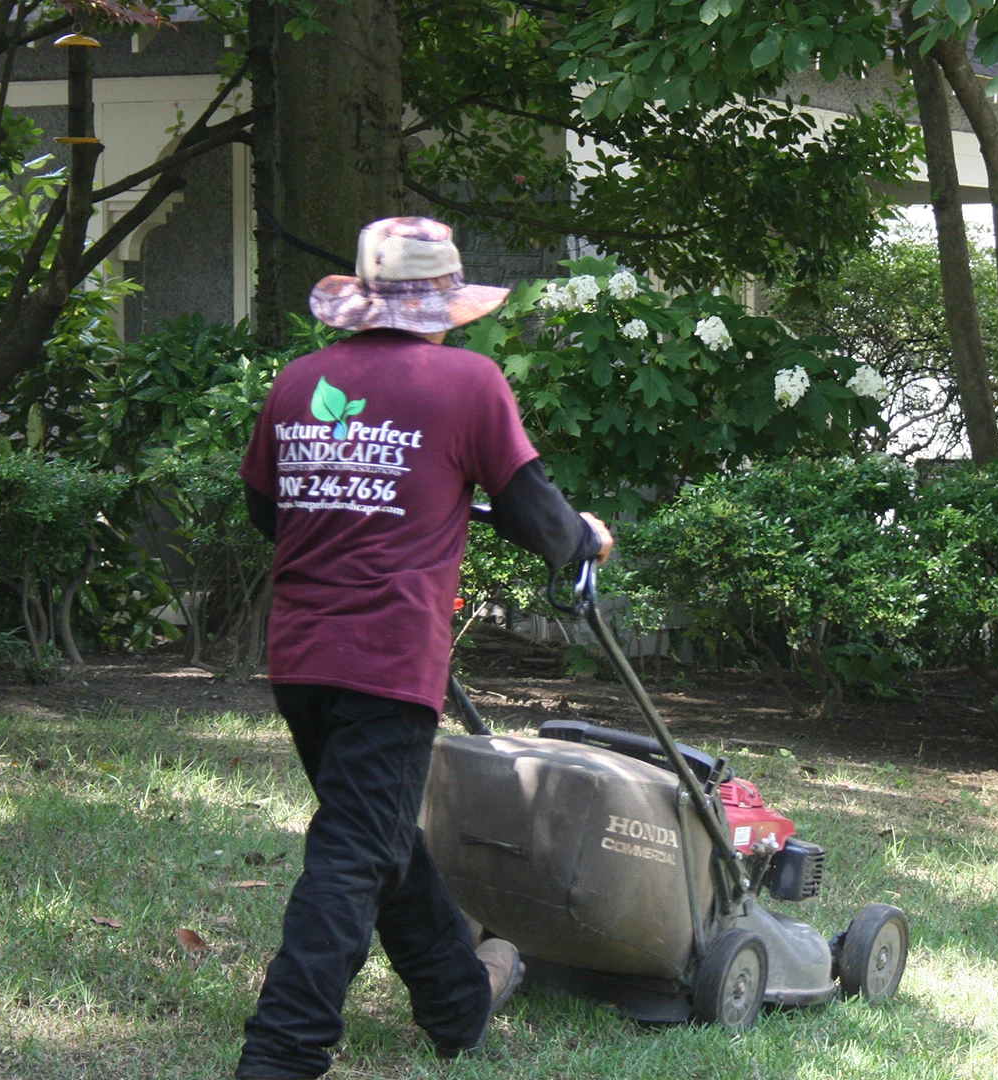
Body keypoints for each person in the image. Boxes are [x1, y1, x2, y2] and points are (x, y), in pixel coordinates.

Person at [234, 216, 612, 1080]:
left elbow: (268, 511)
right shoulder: (467, 383)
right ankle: (281, 1054)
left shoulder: (299, 383)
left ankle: (457, 1002)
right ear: (444, 305)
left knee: (376, 834)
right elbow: (534, 515)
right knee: (352, 852)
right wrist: (584, 539)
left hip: (300, 659)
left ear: (365, 303)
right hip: (390, 659)